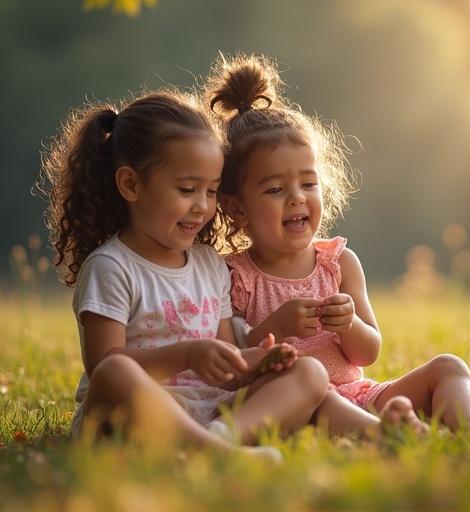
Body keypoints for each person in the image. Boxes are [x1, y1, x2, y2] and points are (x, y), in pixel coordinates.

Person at [204, 53, 470, 438]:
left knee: (448, 366)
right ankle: (394, 435)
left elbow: (367, 353)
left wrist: (348, 323)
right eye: (276, 189)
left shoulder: (338, 262)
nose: (297, 198)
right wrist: (276, 328)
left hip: (356, 393)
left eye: (308, 184)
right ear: (236, 209)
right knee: (321, 393)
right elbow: (231, 369)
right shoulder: (235, 276)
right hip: (299, 401)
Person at [39, 88, 330, 459]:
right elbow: (102, 368)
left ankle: (220, 441)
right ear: (131, 184)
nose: (202, 207)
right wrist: (188, 355)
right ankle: (217, 452)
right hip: (132, 416)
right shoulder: (111, 267)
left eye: (211, 191)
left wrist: (254, 362)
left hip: (210, 409)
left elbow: (227, 358)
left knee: (310, 374)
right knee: (116, 370)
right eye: (187, 189)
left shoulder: (209, 263)